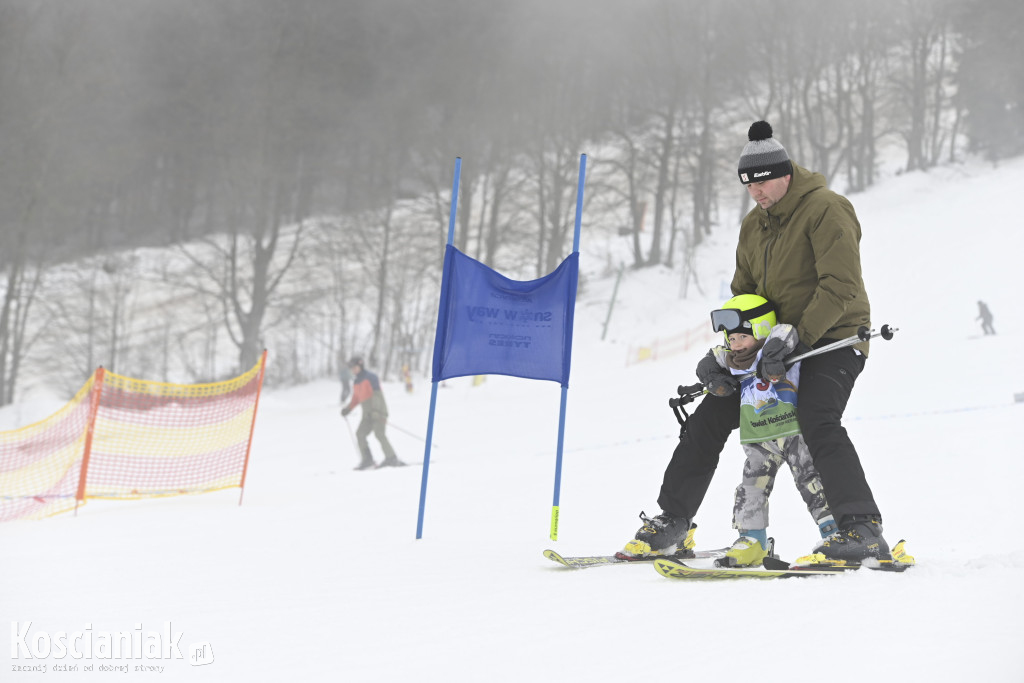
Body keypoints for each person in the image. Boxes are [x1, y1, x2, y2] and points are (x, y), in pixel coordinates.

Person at [626, 120, 889, 565]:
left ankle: (862, 528)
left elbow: (840, 285)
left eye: (763, 182)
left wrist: (797, 338)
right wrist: (728, 353)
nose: (756, 193)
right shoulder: (754, 226)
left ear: (786, 173)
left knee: (816, 417)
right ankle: (673, 522)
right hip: (769, 351)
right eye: (748, 186)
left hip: (833, 339)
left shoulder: (827, 208)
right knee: (709, 416)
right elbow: (745, 300)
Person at [695, 294, 837, 567]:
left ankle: (833, 533)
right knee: (750, 490)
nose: (734, 344)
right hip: (758, 443)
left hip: (793, 435)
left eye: (740, 337)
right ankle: (752, 542)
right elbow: (710, 359)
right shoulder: (734, 360)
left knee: (812, 482)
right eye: (731, 339)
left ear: (760, 328)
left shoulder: (774, 348)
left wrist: (773, 354)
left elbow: (786, 333)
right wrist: (710, 374)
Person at [341, 356, 403, 470]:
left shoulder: (370, 377)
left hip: (378, 411)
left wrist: (376, 411)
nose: (353, 370)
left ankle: (391, 457)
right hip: (367, 414)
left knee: (379, 433)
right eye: (351, 368)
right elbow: (356, 398)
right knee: (360, 434)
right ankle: (367, 460)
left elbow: (376, 395)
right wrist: (347, 409)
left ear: (360, 366)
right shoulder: (356, 381)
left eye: (355, 367)